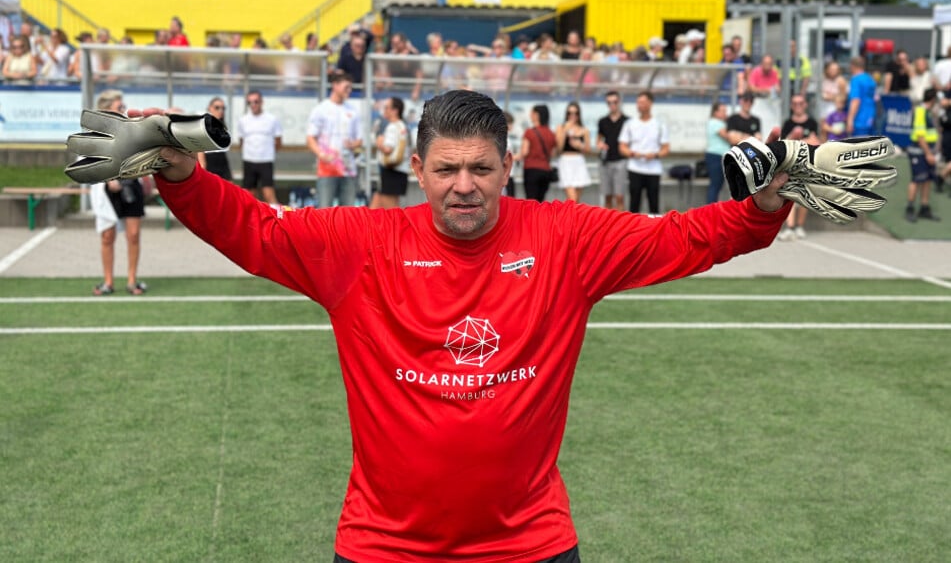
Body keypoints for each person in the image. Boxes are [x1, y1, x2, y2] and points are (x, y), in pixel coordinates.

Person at [147, 88, 792, 561]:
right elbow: (254, 228)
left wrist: (762, 209)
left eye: (481, 168)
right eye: (447, 169)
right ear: (419, 171)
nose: (464, 186)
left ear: (507, 170)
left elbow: (682, 237)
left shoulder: (565, 238)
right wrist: (182, 176)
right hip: (384, 546)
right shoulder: (360, 244)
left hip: (529, 543)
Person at [90, 90, 147, 296]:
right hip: (107, 191)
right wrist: (108, 178)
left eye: (123, 106)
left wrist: (146, 176)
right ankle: (108, 281)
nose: (123, 110)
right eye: (119, 107)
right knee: (107, 236)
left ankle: (132, 281)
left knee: (133, 235)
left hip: (131, 186)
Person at [306, 72, 362, 208]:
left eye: (350, 88)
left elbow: (359, 141)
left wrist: (352, 144)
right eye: (346, 87)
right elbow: (310, 138)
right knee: (324, 210)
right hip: (327, 168)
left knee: (348, 212)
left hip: (348, 168)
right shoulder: (321, 109)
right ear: (335, 85)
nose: (349, 91)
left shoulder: (353, 111)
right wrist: (321, 155)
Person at [777, 95, 821, 240]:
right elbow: (784, 144)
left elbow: (816, 142)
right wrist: (803, 141)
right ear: (791, 106)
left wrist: (797, 140)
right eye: (795, 103)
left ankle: (799, 227)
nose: (798, 106)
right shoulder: (787, 123)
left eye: (800, 103)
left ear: (805, 104)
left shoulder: (812, 122)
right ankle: (789, 227)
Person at [619, 91, 669, 214]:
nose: (639, 105)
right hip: (635, 168)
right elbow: (622, 146)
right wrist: (632, 153)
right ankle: (633, 231)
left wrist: (655, 155)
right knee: (634, 205)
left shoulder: (659, 125)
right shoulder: (629, 124)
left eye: (642, 102)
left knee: (654, 205)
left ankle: (656, 231)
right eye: (638, 102)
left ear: (650, 104)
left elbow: (665, 148)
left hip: (653, 169)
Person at [236, 90, 283, 204]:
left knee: (268, 194)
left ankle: (277, 219)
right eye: (250, 102)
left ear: (262, 102)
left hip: (265, 161)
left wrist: (268, 153)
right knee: (249, 196)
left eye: (256, 101)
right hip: (249, 161)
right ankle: (251, 221)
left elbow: (278, 141)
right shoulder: (243, 120)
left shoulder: (272, 119)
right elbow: (241, 140)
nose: (253, 105)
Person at [905, 88, 940, 222]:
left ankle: (924, 208)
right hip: (919, 152)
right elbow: (920, 136)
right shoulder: (920, 112)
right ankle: (910, 208)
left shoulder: (928, 112)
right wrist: (928, 154)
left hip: (927, 152)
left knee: (927, 179)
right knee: (917, 179)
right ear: (933, 100)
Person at [370, 96, 410, 209]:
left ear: (395, 110)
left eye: (387, 107)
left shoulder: (393, 127)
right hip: (398, 171)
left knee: (391, 210)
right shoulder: (402, 126)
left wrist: (378, 143)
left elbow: (388, 149)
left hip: (391, 171)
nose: (384, 110)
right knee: (377, 204)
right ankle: (367, 226)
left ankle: (397, 226)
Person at [518, 103, 558, 202]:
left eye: (532, 112)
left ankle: (531, 218)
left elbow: (524, 152)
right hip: (546, 171)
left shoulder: (529, 132)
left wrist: (513, 157)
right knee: (540, 202)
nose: (530, 115)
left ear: (537, 115)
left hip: (531, 169)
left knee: (531, 201)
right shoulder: (551, 133)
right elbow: (553, 153)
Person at [596, 91, 628, 211]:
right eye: (609, 102)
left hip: (620, 161)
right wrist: (600, 145)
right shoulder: (602, 121)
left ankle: (621, 226)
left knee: (619, 196)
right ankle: (608, 227)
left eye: (614, 102)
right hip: (606, 161)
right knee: (607, 197)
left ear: (619, 102)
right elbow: (598, 140)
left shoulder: (626, 121)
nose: (612, 105)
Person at [555, 101, 591, 202]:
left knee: (577, 201)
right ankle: (567, 217)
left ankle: (571, 218)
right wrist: (564, 131)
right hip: (565, 162)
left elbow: (588, 150)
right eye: (570, 113)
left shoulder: (584, 130)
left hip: (579, 162)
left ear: (579, 115)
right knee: (572, 199)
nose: (572, 116)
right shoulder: (561, 127)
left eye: (576, 113)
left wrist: (580, 146)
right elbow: (559, 148)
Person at [197, 97, 233, 181]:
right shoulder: (203, 125)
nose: (221, 111)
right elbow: (200, 151)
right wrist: (202, 170)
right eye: (217, 107)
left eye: (223, 108)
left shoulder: (223, 127)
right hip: (209, 162)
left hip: (222, 163)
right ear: (210, 108)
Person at [704, 101, 731, 204]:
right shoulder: (715, 123)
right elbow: (727, 137)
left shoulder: (720, 123)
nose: (725, 113)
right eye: (723, 111)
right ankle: (710, 210)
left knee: (718, 184)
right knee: (715, 185)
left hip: (719, 156)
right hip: (715, 156)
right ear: (715, 112)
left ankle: (713, 208)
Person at [846, 56, 878, 137]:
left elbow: (856, 100)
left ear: (852, 66)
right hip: (871, 118)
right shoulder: (870, 79)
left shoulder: (856, 80)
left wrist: (850, 120)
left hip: (859, 120)